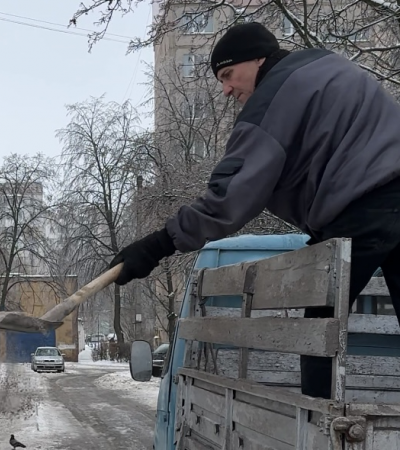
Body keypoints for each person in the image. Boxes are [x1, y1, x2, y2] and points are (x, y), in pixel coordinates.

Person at [109, 22, 400, 400]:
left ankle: (316, 427)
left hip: (363, 209)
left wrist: (157, 245)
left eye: (229, 74)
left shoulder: (273, 97)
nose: (228, 89)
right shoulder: (329, 65)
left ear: (259, 59)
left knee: (318, 333)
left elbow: (230, 196)